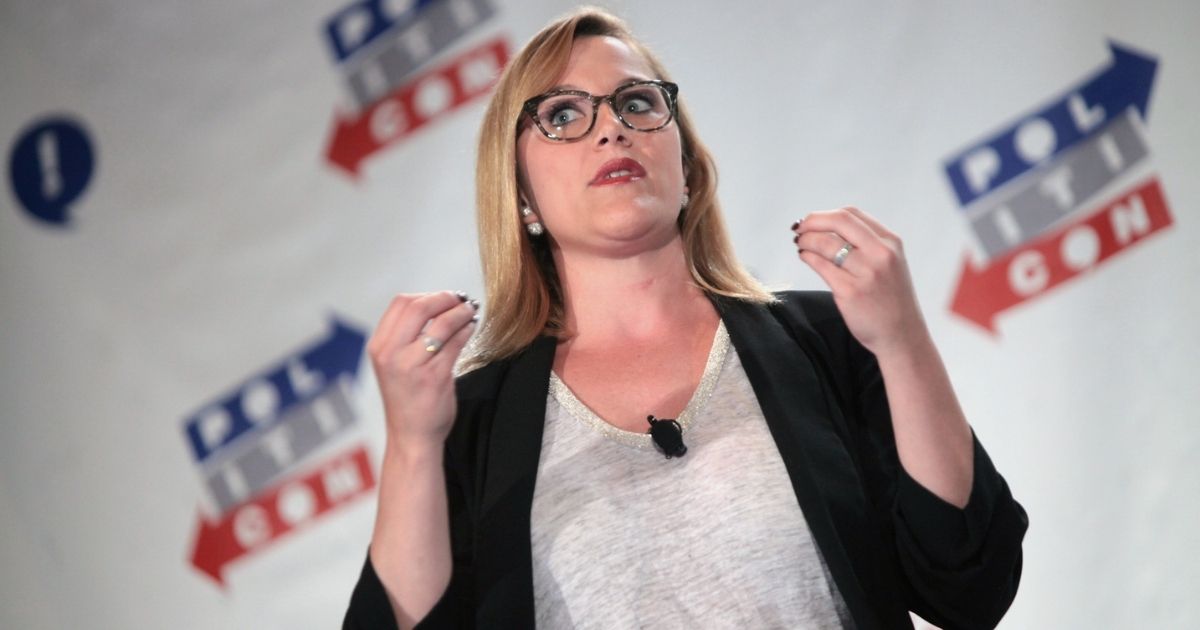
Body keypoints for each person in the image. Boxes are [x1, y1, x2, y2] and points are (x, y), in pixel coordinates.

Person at [345, 7, 1027, 630]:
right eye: (561, 114)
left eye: (637, 102)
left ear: (688, 165)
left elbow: (969, 586)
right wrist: (411, 445)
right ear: (521, 196)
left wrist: (903, 342)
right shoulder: (476, 423)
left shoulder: (828, 340)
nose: (610, 126)